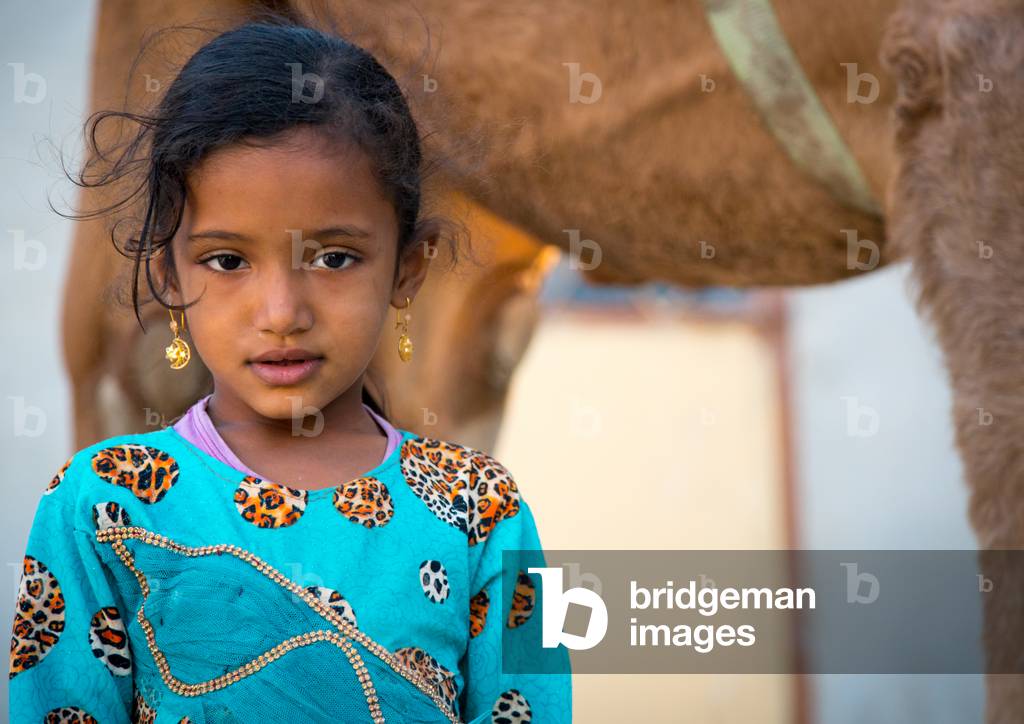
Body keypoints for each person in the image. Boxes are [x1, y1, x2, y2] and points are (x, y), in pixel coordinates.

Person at [8, 15, 571, 724]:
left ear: (407, 268)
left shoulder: (484, 512)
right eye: (228, 261)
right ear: (170, 275)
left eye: (334, 258)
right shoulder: (99, 506)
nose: (281, 311)